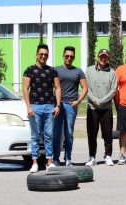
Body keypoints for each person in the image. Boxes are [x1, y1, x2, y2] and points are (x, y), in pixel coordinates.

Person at [22, 44, 61, 173]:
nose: (43, 56)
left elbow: (58, 88)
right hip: (35, 107)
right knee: (35, 136)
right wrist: (28, 107)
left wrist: (58, 105)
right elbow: (25, 89)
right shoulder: (29, 70)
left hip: (49, 106)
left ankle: (49, 162)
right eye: (41, 54)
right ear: (36, 55)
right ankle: (34, 162)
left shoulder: (52, 71)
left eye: (46, 54)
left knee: (49, 135)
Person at [53, 46, 88, 167]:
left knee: (69, 132)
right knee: (57, 132)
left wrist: (78, 101)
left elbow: (85, 88)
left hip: (71, 105)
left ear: (74, 57)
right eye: (67, 56)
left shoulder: (78, 71)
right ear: (63, 56)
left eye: (71, 56)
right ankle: (55, 159)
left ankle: (68, 159)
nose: (69, 58)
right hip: (58, 105)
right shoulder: (56, 70)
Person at [85, 49, 117, 167]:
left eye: (106, 57)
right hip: (92, 108)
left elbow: (113, 90)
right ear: (98, 57)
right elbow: (85, 88)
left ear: (108, 58)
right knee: (92, 134)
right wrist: (94, 100)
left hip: (106, 108)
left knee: (107, 134)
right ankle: (92, 156)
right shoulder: (89, 70)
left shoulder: (112, 73)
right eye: (101, 57)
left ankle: (108, 156)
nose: (103, 59)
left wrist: (101, 101)